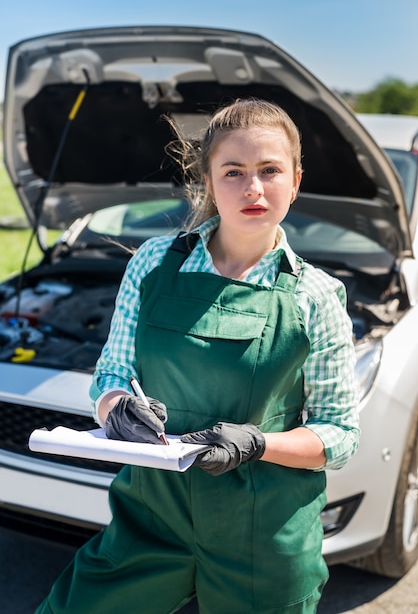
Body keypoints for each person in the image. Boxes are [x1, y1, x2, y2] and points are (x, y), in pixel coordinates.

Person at [36, 98, 360, 614]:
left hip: (263, 534)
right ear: (208, 181)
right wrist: (117, 408)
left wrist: (255, 444)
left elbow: (338, 436)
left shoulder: (315, 295)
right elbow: (113, 373)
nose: (253, 188)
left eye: (269, 170)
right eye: (233, 172)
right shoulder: (152, 262)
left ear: (295, 181)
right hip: (152, 517)